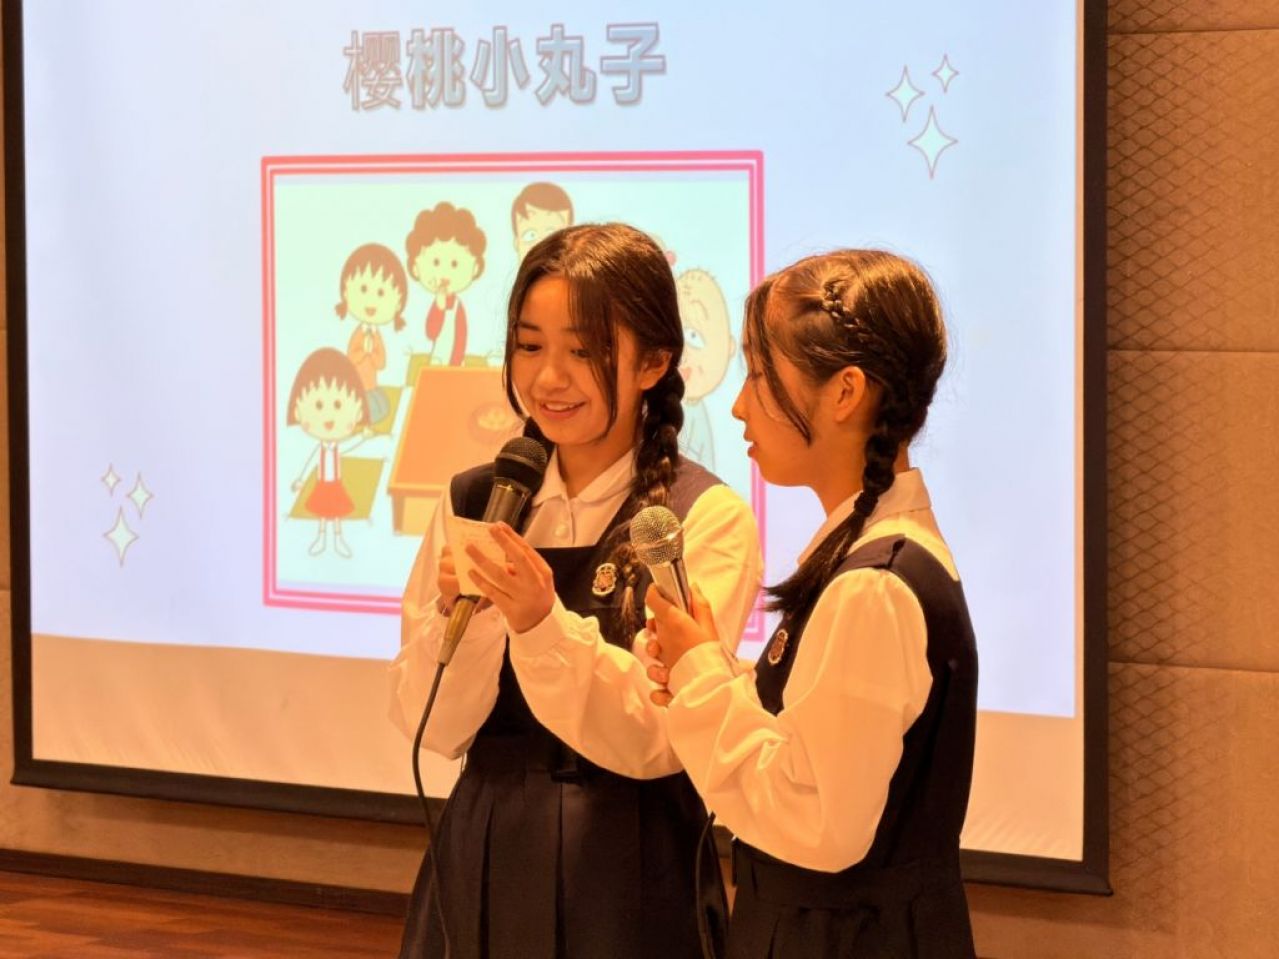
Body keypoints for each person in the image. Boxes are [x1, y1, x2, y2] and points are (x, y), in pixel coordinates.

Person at [389, 223, 762, 959]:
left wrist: (539, 621)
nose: (548, 379)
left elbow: (661, 735)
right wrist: (469, 618)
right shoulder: (475, 500)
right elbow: (431, 722)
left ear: (653, 361)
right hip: (484, 843)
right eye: (529, 347)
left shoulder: (699, 516)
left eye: (583, 352)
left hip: (629, 862)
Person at [646, 249, 978, 958]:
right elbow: (813, 742)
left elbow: (820, 821)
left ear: (845, 391)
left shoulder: (873, 585)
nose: (738, 404)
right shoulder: (866, 560)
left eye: (760, 376)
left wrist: (702, 679)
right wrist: (713, 670)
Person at [334, 242, 408, 427]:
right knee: (365, 408)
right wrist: (363, 352)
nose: (371, 301)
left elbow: (381, 363)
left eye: (381, 292)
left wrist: (372, 353)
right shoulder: (359, 334)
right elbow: (351, 359)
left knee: (383, 406)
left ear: (398, 304)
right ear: (346, 293)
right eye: (364, 289)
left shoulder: (376, 336)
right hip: (358, 386)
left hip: (372, 385)